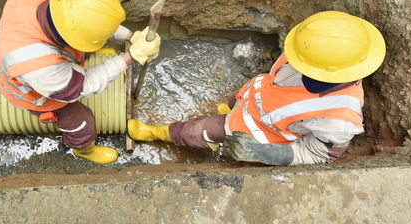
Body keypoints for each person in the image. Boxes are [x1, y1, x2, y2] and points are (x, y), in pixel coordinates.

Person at [128, 11, 386, 165]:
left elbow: (318, 155)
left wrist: (265, 153)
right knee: (228, 105)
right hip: (249, 100)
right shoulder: (309, 48)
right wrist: (238, 102)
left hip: (255, 131)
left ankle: (156, 133)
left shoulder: (338, 121)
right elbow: (276, 82)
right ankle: (228, 111)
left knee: (196, 131)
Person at [0, 0, 160, 164]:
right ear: (71, 36)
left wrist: (130, 36)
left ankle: (86, 50)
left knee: (85, 46)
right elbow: (84, 86)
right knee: (81, 122)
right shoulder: (40, 67)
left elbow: (90, 16)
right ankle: (84, 149)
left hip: (46, 53)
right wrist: (130, 57)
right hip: (36, 92)